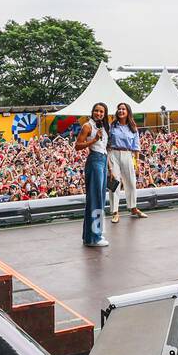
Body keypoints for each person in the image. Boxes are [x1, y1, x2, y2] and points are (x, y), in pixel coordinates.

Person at [75, 102, 110, 247]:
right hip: (95, 159)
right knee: (96, 199)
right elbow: (77, 145)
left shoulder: (102, 126)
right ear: (92, 111)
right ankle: (96, 236)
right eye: (96, 111)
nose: (99, 113)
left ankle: (89, 237)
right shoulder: (87, 126)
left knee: (98, 198)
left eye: (101, 111)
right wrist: (94, 140)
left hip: (103, 159)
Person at [107, 102, 147, 223]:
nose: (121, 111)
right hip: (113, 153)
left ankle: (133, 208)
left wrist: (138, 163)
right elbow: (106, 141)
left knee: (131, 182)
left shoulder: (133, 128)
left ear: (128, 112)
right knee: (114, 183)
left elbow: (136, 147)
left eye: (123, 109)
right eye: (119, 109)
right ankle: (115, 212)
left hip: (128, 154)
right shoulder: (112, 126)